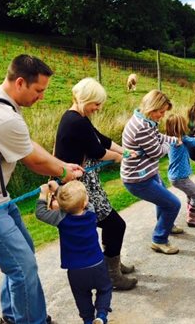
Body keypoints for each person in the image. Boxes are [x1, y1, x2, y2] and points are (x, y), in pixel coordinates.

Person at [0, 54, 84, 324]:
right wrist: (64, 172)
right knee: (22, 267)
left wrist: (61, 164)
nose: (42, 97)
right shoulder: (2, 115)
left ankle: (12, 316)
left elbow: (27, 144)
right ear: (21, 82)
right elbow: (33, 162)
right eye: (39, 90)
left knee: (24, 254)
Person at [54, 78, 137, 290]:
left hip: (86, 182)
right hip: (79, 187)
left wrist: (124, 151)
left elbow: (101, 139)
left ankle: (111, 264)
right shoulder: (76, 121)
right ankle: (111, 273)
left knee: (111, 225)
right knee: (115, 225)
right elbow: (98, 152)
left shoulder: (77, 117)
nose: (98, 108)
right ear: (84, 99)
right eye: (96, 104)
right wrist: (119, 158)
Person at [36, 180, 112, 324]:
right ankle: (101, 315)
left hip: (76, 270)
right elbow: (82, 203)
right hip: (97, 263)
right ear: (84, 203)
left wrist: (44, 193)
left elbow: (40, 213)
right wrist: (59, 190)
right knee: (105, 288)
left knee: (81, 296)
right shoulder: (91, 212)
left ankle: (88, 320)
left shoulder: (60, 218)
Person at [121, 90, 181, 255]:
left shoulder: (146, 120)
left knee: (164, 202)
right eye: (160, 112)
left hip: (148, 172)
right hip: (138, 179)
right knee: (173, 203)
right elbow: (157, 152)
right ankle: (159, 240)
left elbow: (158, 137)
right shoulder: (141, 127)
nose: (162, 116)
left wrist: (173, 139)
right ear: (151, 108)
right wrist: (172, 145)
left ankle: (165, 224)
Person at [165, 113, 195, 228]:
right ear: (179, 127)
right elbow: (193, 142)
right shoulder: (179, 139)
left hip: (177, 176)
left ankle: (193, 212)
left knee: (191, 194)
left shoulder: (171, 139)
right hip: (179, 177)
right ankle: (192, 218)